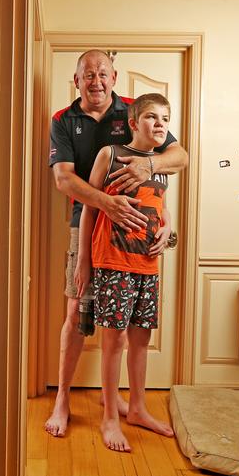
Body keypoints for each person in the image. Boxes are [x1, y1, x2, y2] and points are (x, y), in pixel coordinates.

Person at [45, 50, 188, 437]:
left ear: (114, 77)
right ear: (76, 81)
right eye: (87, 74)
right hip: (87, 225)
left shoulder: (135, 111)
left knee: (133, 330)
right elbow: (63, 180)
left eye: (103, 73)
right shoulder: (62, 120)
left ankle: (129, 405)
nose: (96, 80)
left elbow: (178, 155)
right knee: (77, 313)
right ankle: (62, 399)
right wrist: (106, 202)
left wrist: (151, 167)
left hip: (139, 242)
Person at [75, 93, 175, 452]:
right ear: (134, 123)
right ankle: (110, 418)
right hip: (113, 263)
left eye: (165, 117)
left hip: (148, 264)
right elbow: (88, 207)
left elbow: (161, 209)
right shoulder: (111, 155)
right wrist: (84, 262)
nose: (160, 123)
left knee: (141, 340)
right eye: (151, 117)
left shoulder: (161, 165)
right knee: (113, 341)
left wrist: (168, 228)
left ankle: (138, 408)